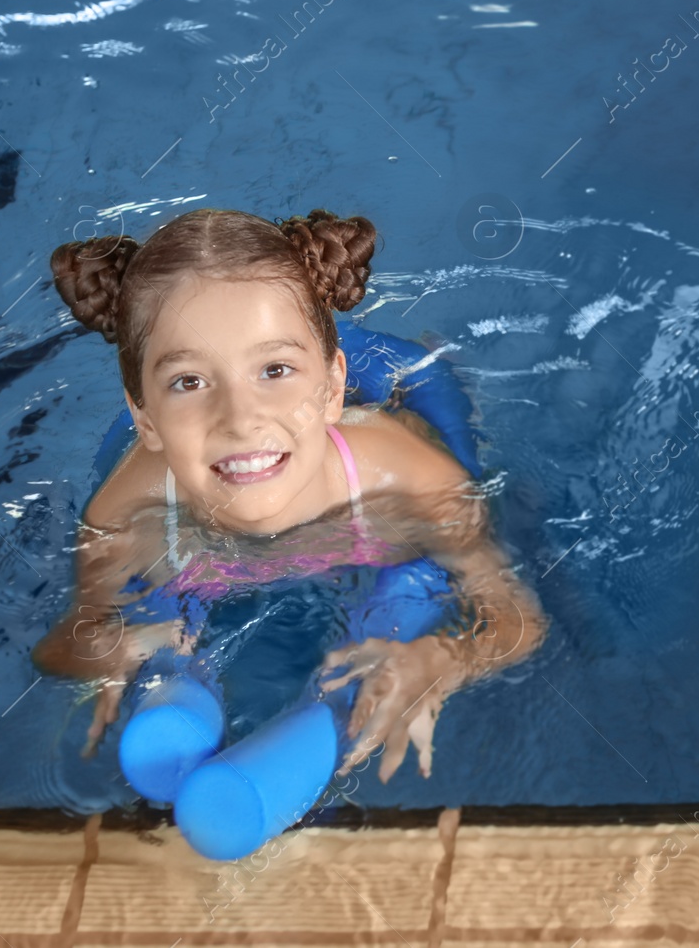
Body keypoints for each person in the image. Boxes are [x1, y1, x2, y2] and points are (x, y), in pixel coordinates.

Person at [32, 207, 547, 783]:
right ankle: (175, 688)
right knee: (151, 626)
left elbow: (515, 622)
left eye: (274, 370)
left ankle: (334, 713)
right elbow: (61, 646)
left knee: (410, 599)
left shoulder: (407, 481)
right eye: (189, 382)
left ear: (331, 390)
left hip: (393, 426)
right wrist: (112, 652)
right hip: (213, 517)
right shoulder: (128, 512)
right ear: (144, 418)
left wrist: (444, 661)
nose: (240, 419)